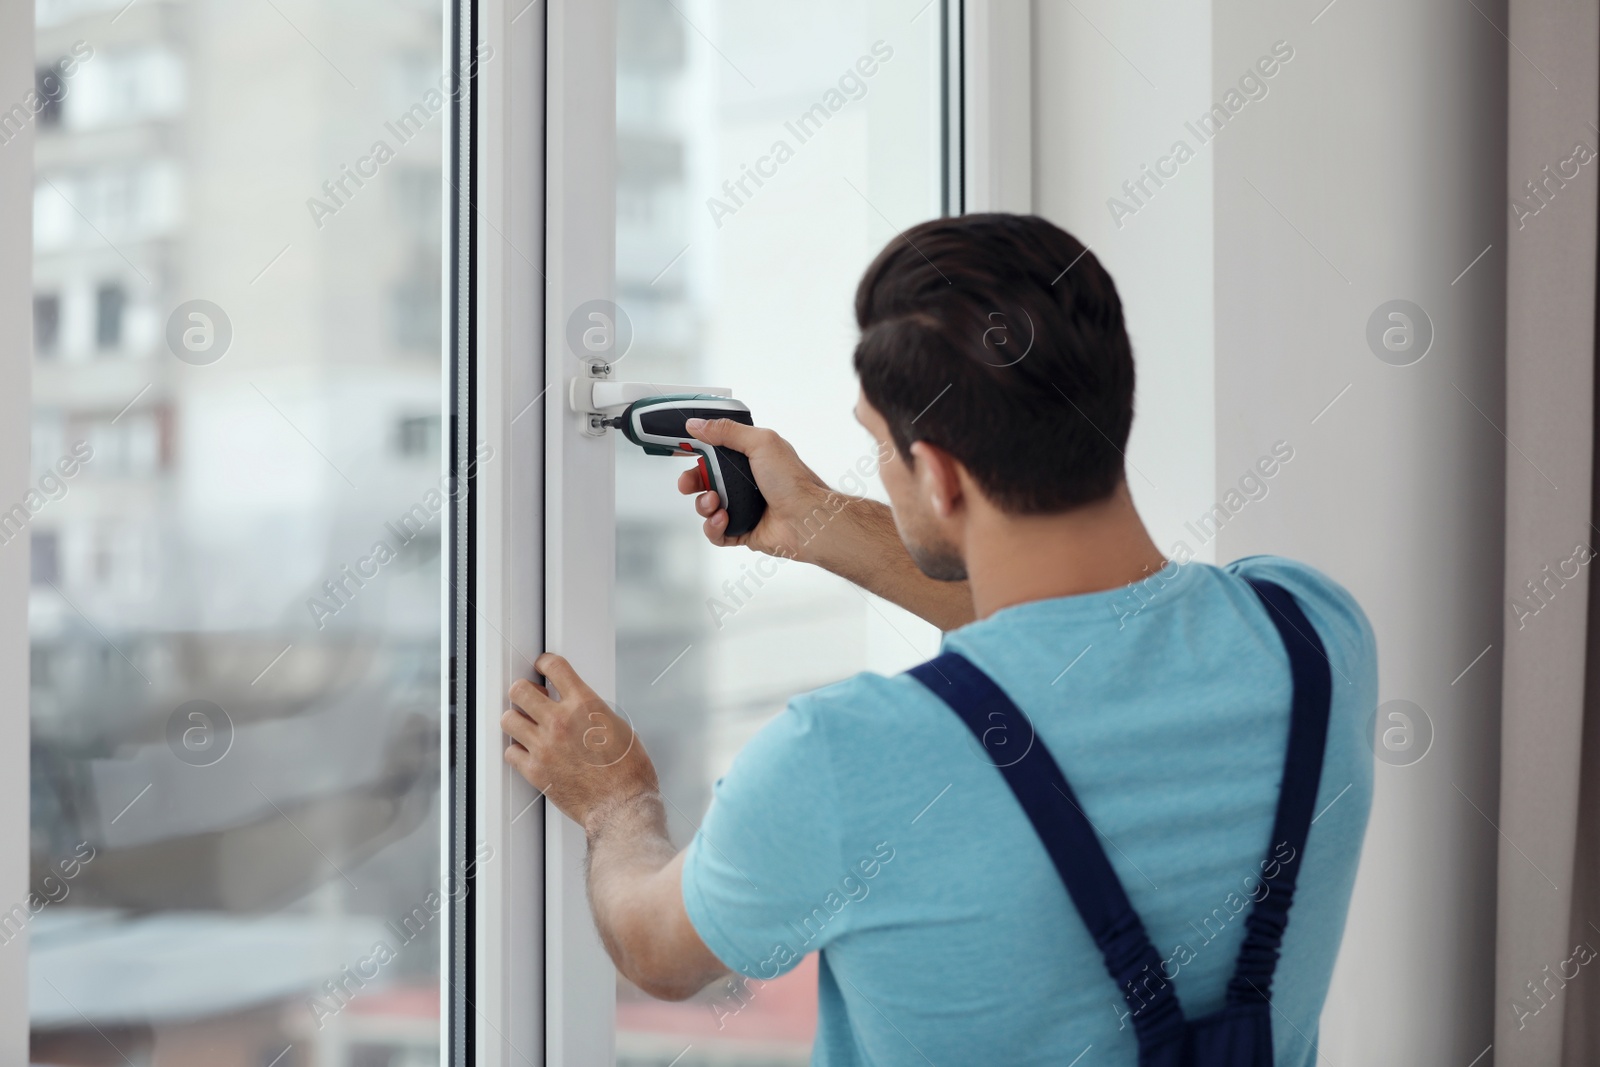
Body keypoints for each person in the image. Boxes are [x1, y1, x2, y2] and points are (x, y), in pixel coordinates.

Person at [502, 213, 1376, 1065]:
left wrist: (617, 798)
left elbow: (655, 948)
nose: (877, 464)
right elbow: (1085, 639)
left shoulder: (848, 759)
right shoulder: (1312, 636)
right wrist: (821, 521)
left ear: (941, 474)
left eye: (879, 447)